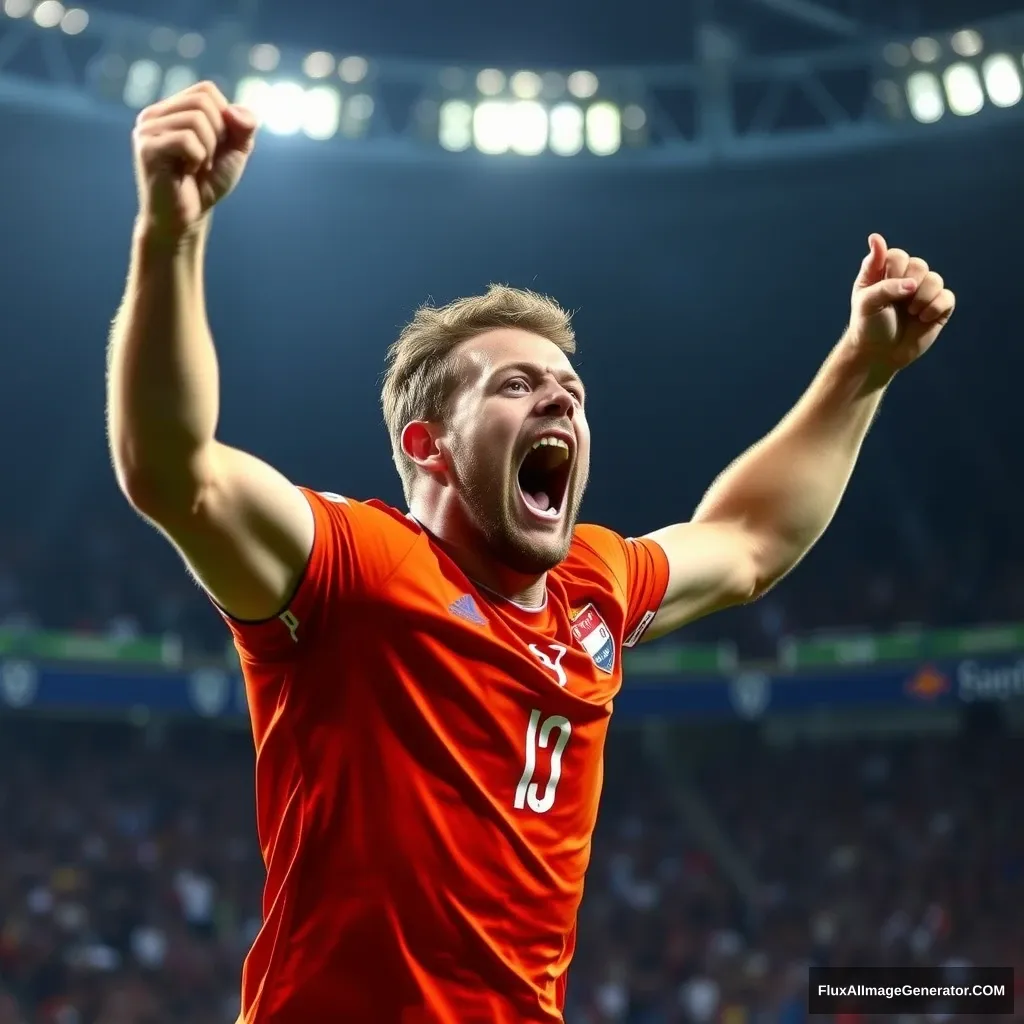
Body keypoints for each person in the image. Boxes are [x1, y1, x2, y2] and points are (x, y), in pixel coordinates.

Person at [105, 81, 956, 1023]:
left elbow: (751, 540)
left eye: (572, 389)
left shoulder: (591, 587)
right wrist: (171, 233)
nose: (562, 401)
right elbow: (175, 472)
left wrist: (862, 368)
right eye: (519, 384)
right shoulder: (357, 569)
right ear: (427, 445)